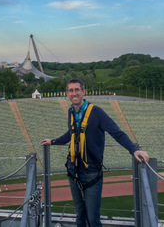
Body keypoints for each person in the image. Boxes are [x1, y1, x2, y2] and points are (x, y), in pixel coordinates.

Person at [41, 78, 149, 227]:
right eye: (71, 90)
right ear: (67, 93)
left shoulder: (97, 112)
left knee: (93, 219)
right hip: (73, 172)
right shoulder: (71, 111)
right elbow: (72, 134)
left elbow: (116, 132)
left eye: (77, 90)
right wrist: (53, 141)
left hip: (91, 174)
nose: (74, 93)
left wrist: (134, 149)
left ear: (83, 92)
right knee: (80, 216)